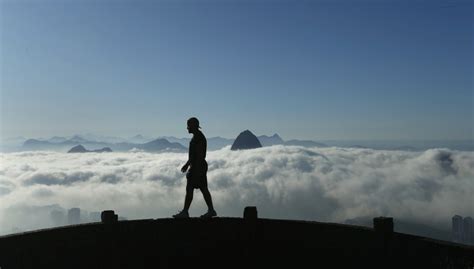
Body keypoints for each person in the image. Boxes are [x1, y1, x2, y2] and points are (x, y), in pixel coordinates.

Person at [173, 117, 217, 218]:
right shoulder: (198, 137)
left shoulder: (198, 138)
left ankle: (185, 212)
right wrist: (189, 165)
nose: (187, 128)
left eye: (188, 125)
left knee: (191, 188)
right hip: (199, 166)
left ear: (193, 126)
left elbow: (197, 155)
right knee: (202, 188)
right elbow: (195, 155)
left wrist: (190, 167)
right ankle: (210, 210)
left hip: (197, 167)